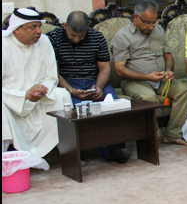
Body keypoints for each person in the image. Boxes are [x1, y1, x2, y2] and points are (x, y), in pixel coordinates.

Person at [47, 11, 131, 164]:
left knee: (113, 106)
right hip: (68, 83)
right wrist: (72, 91)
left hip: (94, 80)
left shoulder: (97, 37)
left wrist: (99, 86)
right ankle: (105, 152)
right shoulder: (53, 39)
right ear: (65, 26)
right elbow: (52, 72)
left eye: (81, 35)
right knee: (81, 111)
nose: (76, 39)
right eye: (73, 35)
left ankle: (116, 148)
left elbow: (105, 68)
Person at [111, 0, 187, 146]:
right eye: (147, 22)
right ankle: (151, 139)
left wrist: (168, 71)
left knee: (184, 90)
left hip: (160, 79)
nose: (151, 26)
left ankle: (173, 134)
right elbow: (119, 69)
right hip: (135, 82)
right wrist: (147, 77)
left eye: (154, 22)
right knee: (148, 98)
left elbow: (168, 56)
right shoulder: (122, 36)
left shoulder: (159, 31)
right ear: (136, 17)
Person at [2, 8, 72, 163]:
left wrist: (41, 90)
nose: (38, 31)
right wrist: (24, 95)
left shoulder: (44, 41)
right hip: (10, 102)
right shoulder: (3, 45)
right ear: (17, 29)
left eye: (39, 26)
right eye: (32, 27)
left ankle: (68, 154)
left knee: (62, 95)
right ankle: (5, 162)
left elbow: (51, 76)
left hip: (39, 99)